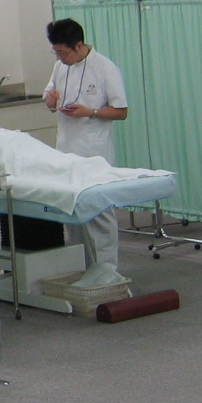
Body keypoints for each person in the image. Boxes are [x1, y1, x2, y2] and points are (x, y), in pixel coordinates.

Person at [42, 19, 130, 274]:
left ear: (79, 46)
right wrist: (50, 100)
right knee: (73, 213)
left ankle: (106, 271)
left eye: (63, 52)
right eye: (56, 52)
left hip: (94, 153)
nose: (60, 57)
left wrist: (90, 112)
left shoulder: (105, 68)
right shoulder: (60, 66)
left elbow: (121, 111)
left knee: (99, 215)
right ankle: (80, 268)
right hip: (65, 151)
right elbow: (49, 96)